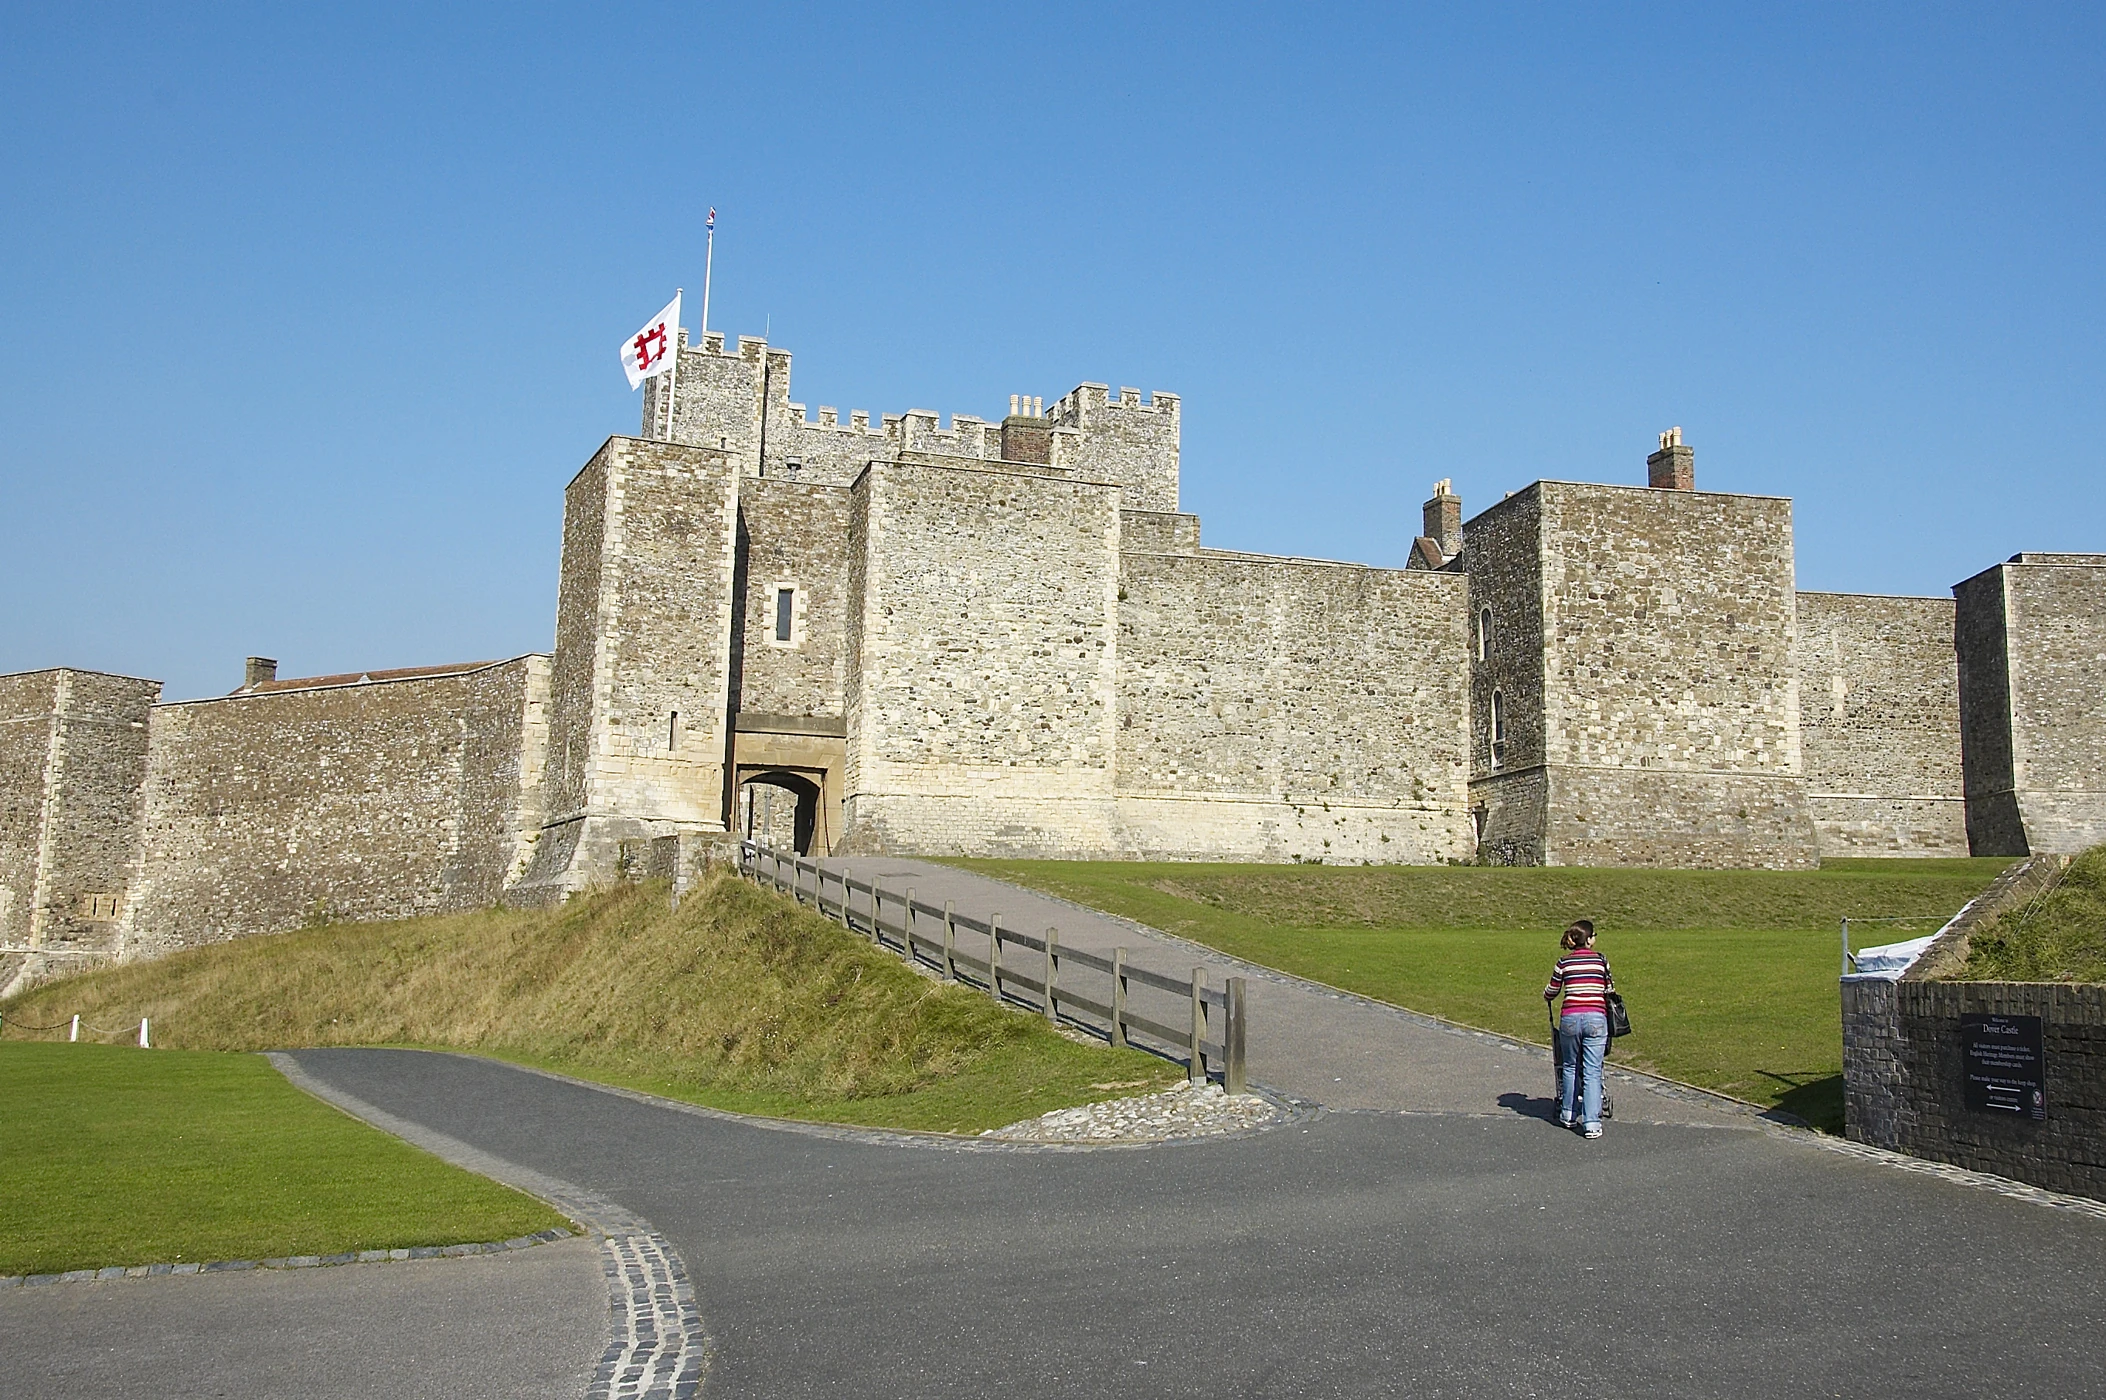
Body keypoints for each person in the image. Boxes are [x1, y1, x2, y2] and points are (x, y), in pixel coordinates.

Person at [1544, 919, 1613, 1139]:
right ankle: (1592, 1122)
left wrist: (1548, 994)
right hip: (1596, 1017)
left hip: (1570, 1018)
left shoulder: (1564, 963)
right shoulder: (1600, 961)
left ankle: (1568, 1113)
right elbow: (1609, 988)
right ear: (1589, 939)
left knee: (1570, 1065)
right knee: (1592, 1069)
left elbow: (1551, 990)